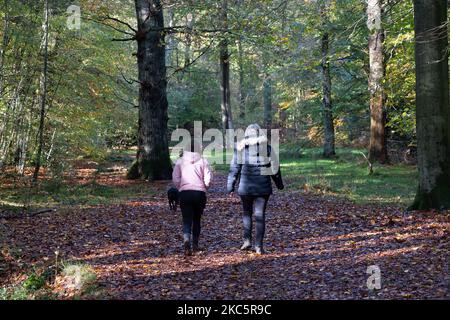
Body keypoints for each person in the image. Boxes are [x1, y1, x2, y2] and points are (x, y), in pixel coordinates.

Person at [227, 124, 284, 255]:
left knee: (246, 213)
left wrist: (230, 187)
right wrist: (279, 184)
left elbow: (234, 169)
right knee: (260, 215)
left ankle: (247, 240)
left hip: (245, 188)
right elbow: (275, 169)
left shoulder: (240, 149)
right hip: (262, 188)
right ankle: (258, 246)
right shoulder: (268, 148)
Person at [172, 141, 212, 256]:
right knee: (197, 219)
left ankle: (186, 241)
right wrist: (204, 187)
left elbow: (175, 178)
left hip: (185, 193)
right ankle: (195, 245)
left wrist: (181, 186)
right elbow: (208, 179)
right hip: (199, 193)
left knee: (186, 219)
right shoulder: (203, 161)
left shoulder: (180, 161)